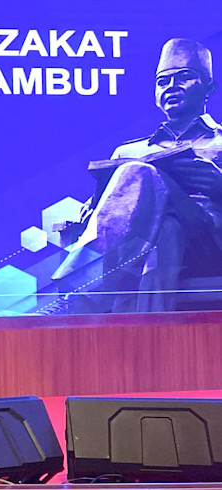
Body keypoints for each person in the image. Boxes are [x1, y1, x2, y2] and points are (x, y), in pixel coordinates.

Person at [41, 38, 222, 314]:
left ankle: (73, 301)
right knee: (166, 228)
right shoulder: (129, 151)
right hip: (157, 239)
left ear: (209, 88)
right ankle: (147, 333)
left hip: (210, 243)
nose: (171, 86)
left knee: (137, 171)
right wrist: (90, 210)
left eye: (184, 77)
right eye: (163, 81)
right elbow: (107, 217)